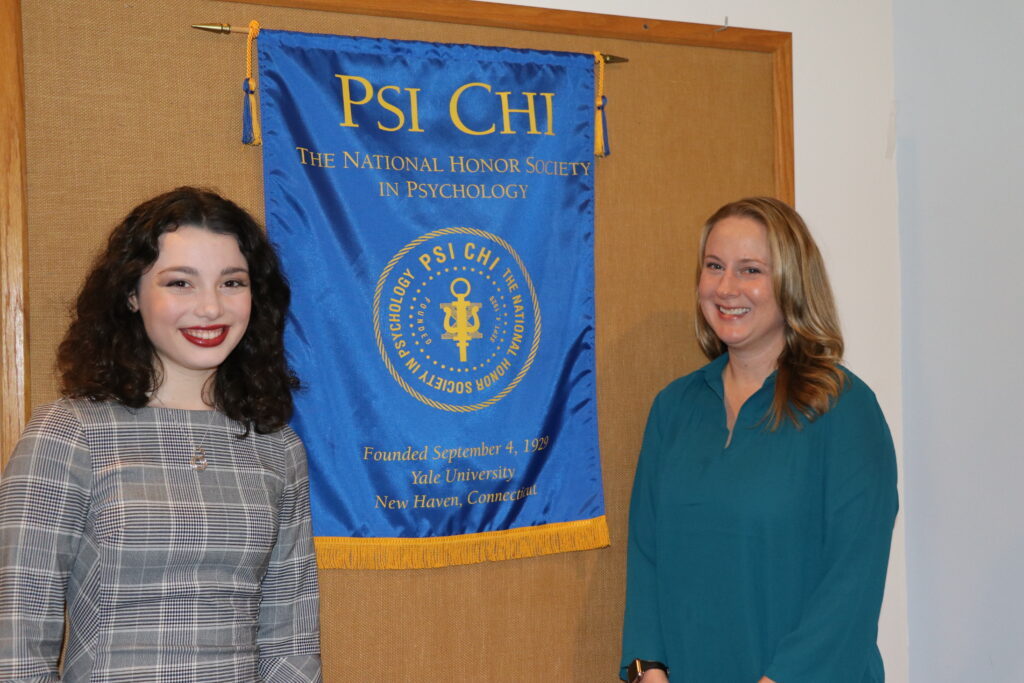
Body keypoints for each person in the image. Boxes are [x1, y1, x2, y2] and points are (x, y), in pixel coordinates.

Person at [0, 187, 322, 681]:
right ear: (132, 294)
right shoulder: (69, 434)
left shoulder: (278, 449)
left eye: (232, 282)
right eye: (180, 283)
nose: (211, 308)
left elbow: (291, 640)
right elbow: (15, 642)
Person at [620, 197, 898, 683]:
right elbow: (647, 557)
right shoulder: (674, 408)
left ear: (791, 283)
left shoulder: (845, 409)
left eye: (751, 270)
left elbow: (852, 583)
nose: (726, 287)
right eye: (714, 266)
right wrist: (649, 668)